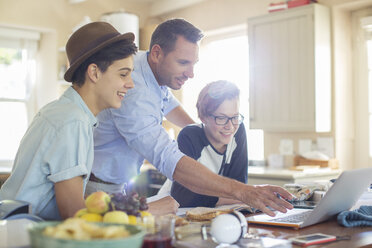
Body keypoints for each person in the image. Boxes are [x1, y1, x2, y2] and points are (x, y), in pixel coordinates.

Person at [88, 18, 293, 217]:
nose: (191, 73)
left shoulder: (148, 65)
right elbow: (168, 158)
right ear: (158, 53)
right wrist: (243, 191)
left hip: (116, 185)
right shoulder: (135, 92)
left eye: (193, 63)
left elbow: (168, 103)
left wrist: (203, 132)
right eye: (183, 62)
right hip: (96, 187)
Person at [0, 22, 137, 220]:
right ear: (94, 73)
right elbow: (73, 214)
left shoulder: (62, 111)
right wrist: (142, 213)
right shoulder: (73, 121)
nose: (130, 84)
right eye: (123, 74)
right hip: (24, 234)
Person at [159, 80, 248, 207]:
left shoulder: (238, 130)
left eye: (234, 117)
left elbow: (240, 186)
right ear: (203, 118)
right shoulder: (190, 136)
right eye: (221, 118)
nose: (230, 126)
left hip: (213, 211)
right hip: (174, 211)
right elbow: (183, 198)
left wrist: (241, 194)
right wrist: (239, 195)